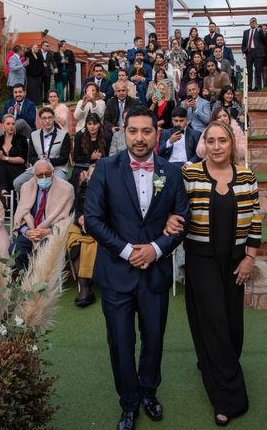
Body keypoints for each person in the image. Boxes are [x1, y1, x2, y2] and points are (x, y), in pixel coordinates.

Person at [83, 107, 190, 430]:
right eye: (133, 131)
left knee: (154, 340)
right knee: (121, 343)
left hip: (155, 274)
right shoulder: (104, 168)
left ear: (156, 134)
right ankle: (128, 403)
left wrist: (156, 249)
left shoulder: (171, 173)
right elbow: (93, 219)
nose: (140, 138)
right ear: (123, 132)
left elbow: (182, 220)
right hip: (117, 274)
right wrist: (129, 251)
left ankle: (149, 392)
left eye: (146, 131)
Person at [178, 121, 260, 426]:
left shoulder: (247, 176)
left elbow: (255, 219)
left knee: (233, 327)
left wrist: (250, 258)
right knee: (213, 324)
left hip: (236, 261)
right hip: (201, 261)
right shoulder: (190, 174)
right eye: (210, 141)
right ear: (204, 145)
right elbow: (175, 209)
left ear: (232, 143)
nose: (216, 146)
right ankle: (229, 398)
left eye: (222, 140)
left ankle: (214, 363)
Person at [10, 159, 74, 272]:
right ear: (34, 176)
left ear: (53, 172)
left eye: (48, 174)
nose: (44, 178)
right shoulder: (26, 187)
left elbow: (68, 218)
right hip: (31, 231)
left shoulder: (66, 188)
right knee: (15, 250)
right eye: (40, 175)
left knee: (42, 251)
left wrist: (49, 231)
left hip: (53, 232)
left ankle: (40, 281)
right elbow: (20, 213)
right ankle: (25, 280)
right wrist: (27, 231)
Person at [13, 107, 71, 192]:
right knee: (17, 182)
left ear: (54, 119)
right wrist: (41, 163)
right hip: (38, 167)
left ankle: (54, 204)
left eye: (50, 118)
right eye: (44, 118)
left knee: (59, 184)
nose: (47, 121)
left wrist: (48, 162)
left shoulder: (64, 135)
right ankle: (31, 201)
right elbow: (31, 157)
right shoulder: (33, 135)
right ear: (40, 120)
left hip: (57, 168)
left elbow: (64, 158)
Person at [66, 165, 98, 307]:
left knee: (89, 244)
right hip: (82, 227)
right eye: (91, 175)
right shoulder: (83, 189)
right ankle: (84, 288)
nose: (93, 178)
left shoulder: (112, 191)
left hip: (101, 229)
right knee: (76, 244)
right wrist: (80, 218)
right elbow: (76, 210)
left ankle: (87, 285)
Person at [0, 114, 28, 194]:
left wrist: (4, 157)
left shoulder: (21, 139)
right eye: (8, 124)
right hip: (2, 169)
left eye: (13, 124)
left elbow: (22, 160)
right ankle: (2, 190)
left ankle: (1, 191)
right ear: (3, 125)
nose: (11, 126)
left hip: (17, 169)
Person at [71, 113, 110, 188]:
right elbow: (75, 158)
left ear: (99, 124)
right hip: (83, 165)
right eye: (89, 124)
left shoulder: (106, 136)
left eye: (95, 124)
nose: (92, 127)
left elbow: (109, 156)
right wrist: (91, 157)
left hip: (101, 166)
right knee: (83, 176)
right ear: (86, 125)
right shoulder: (79, 136)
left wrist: (100, 158)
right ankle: (82, 197)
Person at [241, 17, 265, 91]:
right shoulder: (246, 32)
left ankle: (258, 87)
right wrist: (244, 51)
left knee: (258, 70)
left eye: (254, 22)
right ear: (249, 23)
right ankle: (249, 86)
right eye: (252, 22)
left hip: (258, 53)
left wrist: (258, 28)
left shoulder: (259, 31)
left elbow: (263, 38)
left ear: (256, 23)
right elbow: (243, 43)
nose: (253, 23)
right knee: (249, 70)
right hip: (249, 52)